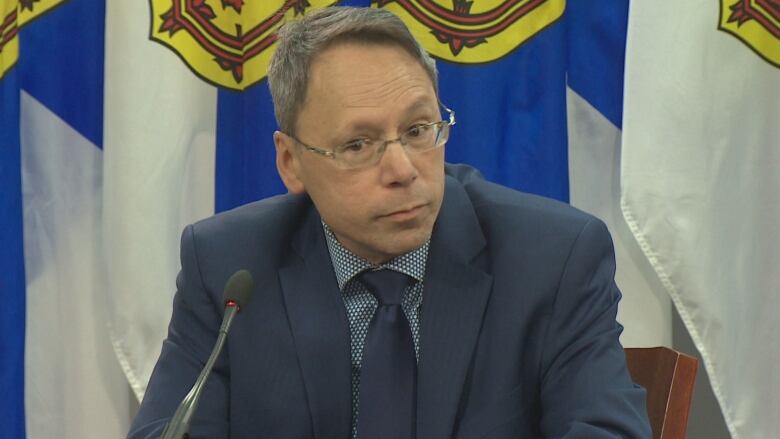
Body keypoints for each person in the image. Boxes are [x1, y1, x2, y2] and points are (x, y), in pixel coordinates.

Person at [129, 6, 651, 439]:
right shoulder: (230, 267)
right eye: (358, 144)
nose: (403, 170)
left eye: (419, 130)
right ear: (291, 162)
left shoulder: (552, 259)